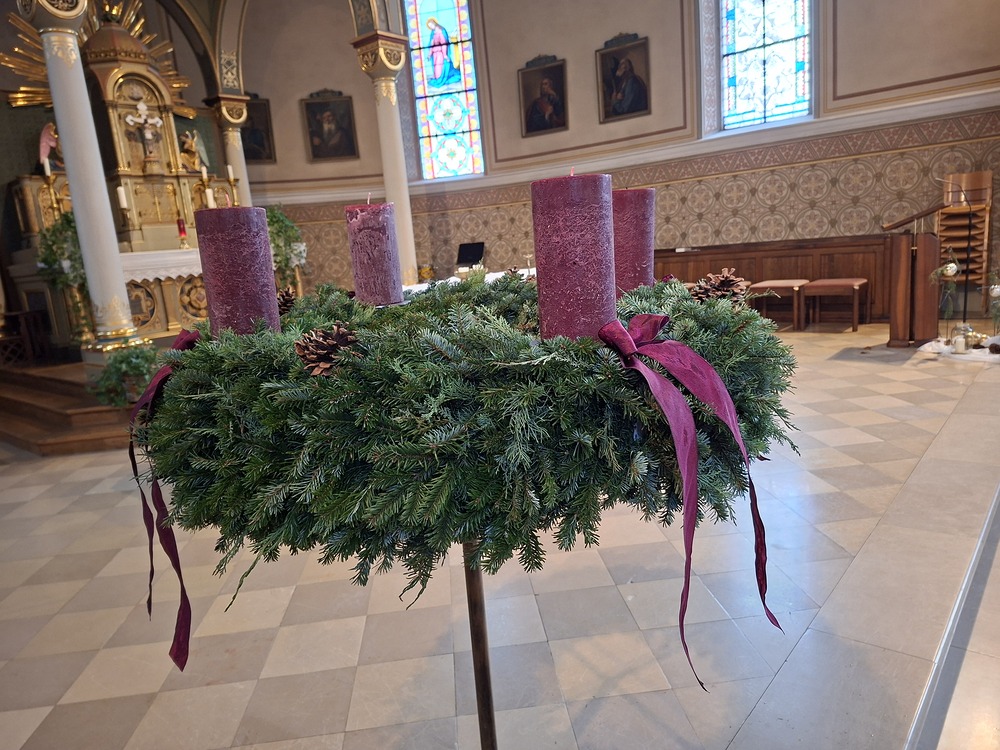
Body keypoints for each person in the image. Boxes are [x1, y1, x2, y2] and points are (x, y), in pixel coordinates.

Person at [426, 17, 463, 88]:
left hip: (440, 54)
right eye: (429, 26)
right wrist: (429, 54)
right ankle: (438, 78)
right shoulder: (433, 32)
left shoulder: (441, 31)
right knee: (436, 70)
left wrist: (445, 55)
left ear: (434, 23)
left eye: (431, 25)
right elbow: (431, 44)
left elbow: (444, 43)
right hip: (435, 54)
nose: (431, 27)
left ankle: (441, 79)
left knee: (440, 69)